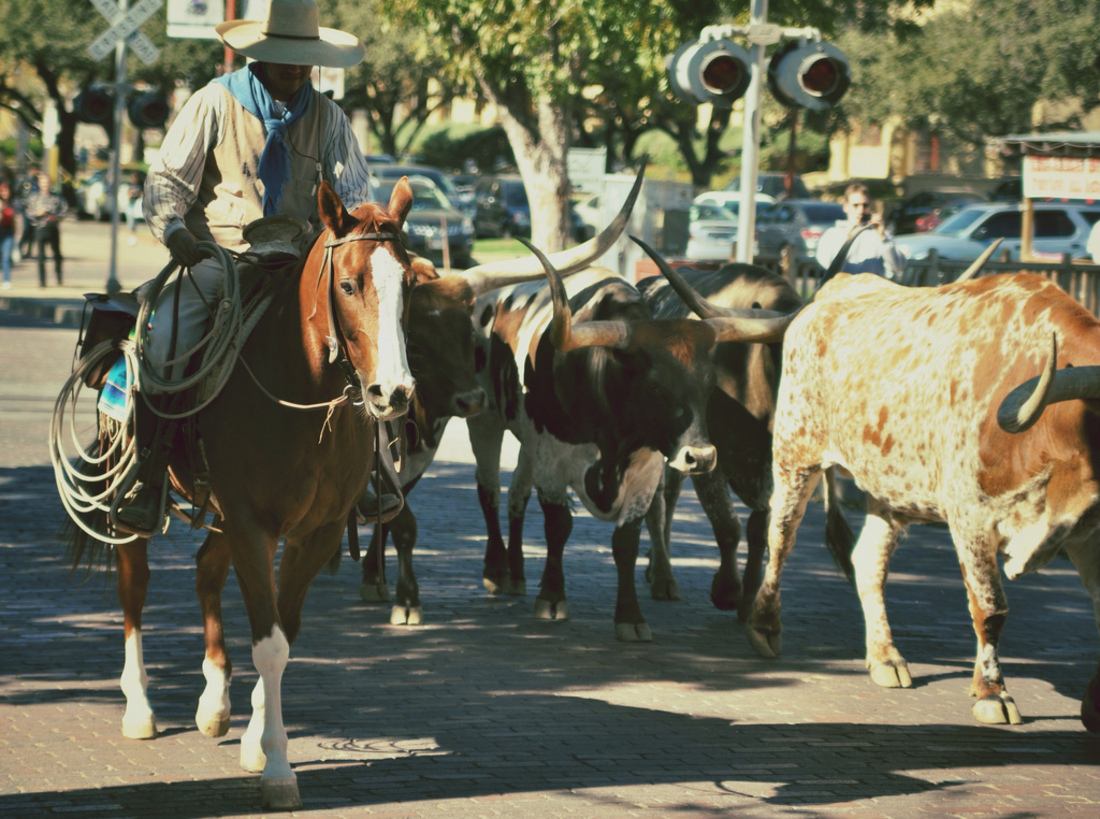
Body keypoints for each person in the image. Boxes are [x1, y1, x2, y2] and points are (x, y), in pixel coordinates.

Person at [116, 0, 374, 535]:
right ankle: (149, 472)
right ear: (259, 55)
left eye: (305, 60)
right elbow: (167, 178)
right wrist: (176, 233)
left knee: (372, 341)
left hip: (303, 262)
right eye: (286, 57)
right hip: (221, 257)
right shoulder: (214, 102)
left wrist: (358, 238)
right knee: (164, 339)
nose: (296, 69)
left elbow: (352, 195)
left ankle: (373, 473)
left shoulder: (328, 117)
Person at [815, 182, 906, 279]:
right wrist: (848, 237)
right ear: (845, 207)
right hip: (843, 290)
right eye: (856, 205)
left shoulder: (880, 234)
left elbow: (898, 267)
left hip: (871, 292)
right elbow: (827, 264)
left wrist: (883, 237)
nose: (861, 210)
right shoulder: (833, 234)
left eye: (865, 205)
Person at [26, 171, 66, 287]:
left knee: (57, 255)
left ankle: (59, 278)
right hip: (40, 228)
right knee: (41, 256)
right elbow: (29, 212)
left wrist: (56, 217)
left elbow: (64, 210)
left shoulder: (56, 197)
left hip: (53, 228)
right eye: (42, 182)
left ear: (50, 183)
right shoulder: (34, 198)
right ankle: (42, 281)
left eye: (47, 182)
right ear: (39, 183)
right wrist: (37, 213)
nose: (45, 185)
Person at [0, 179, 16, 289]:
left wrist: (16, 234)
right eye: (2, 191)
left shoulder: (13, 204)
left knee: (6, 257)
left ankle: (6, 280)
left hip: (8, 232)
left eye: (7, 191)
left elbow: (15, 220)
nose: (5, 193)